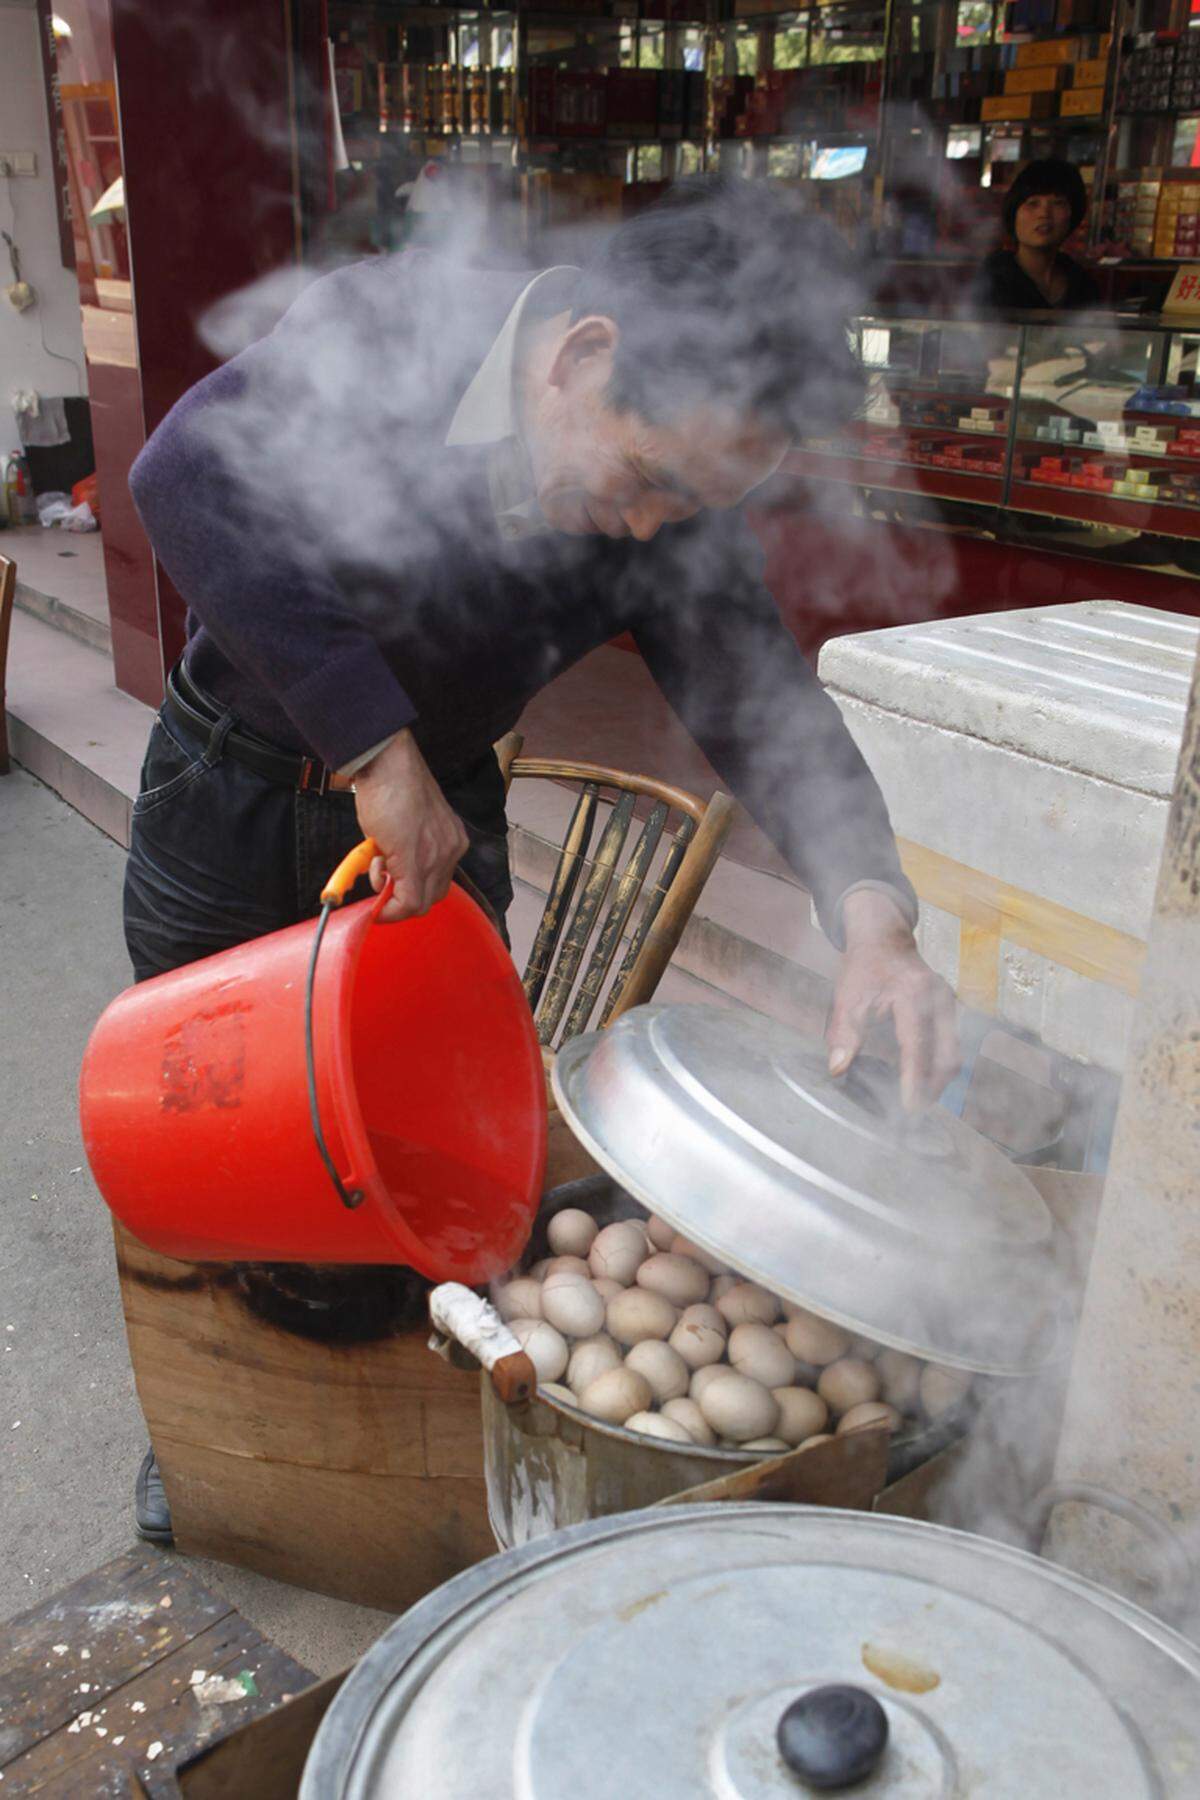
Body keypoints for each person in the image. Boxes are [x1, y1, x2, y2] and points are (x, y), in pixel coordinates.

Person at [123, 178, 959, 1543]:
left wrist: (874, 916)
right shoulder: (394, 330)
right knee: (216, 1138)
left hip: (437, 817)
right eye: (647, 483)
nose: (647, 532)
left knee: (426, 1137)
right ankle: (218, 1433)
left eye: (684, 506)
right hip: (238, 790)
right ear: (582, 357)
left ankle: (396, 1414)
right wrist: (375, 751)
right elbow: (186, 476)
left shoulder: (660, 503)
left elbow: (756, 689)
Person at [977, 158, 1101, 312]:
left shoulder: (1083, 286)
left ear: (1073, 214)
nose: (1044, 214)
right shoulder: (988, 284)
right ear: (1014, 213)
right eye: (1033, 203)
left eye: (1058, 203)